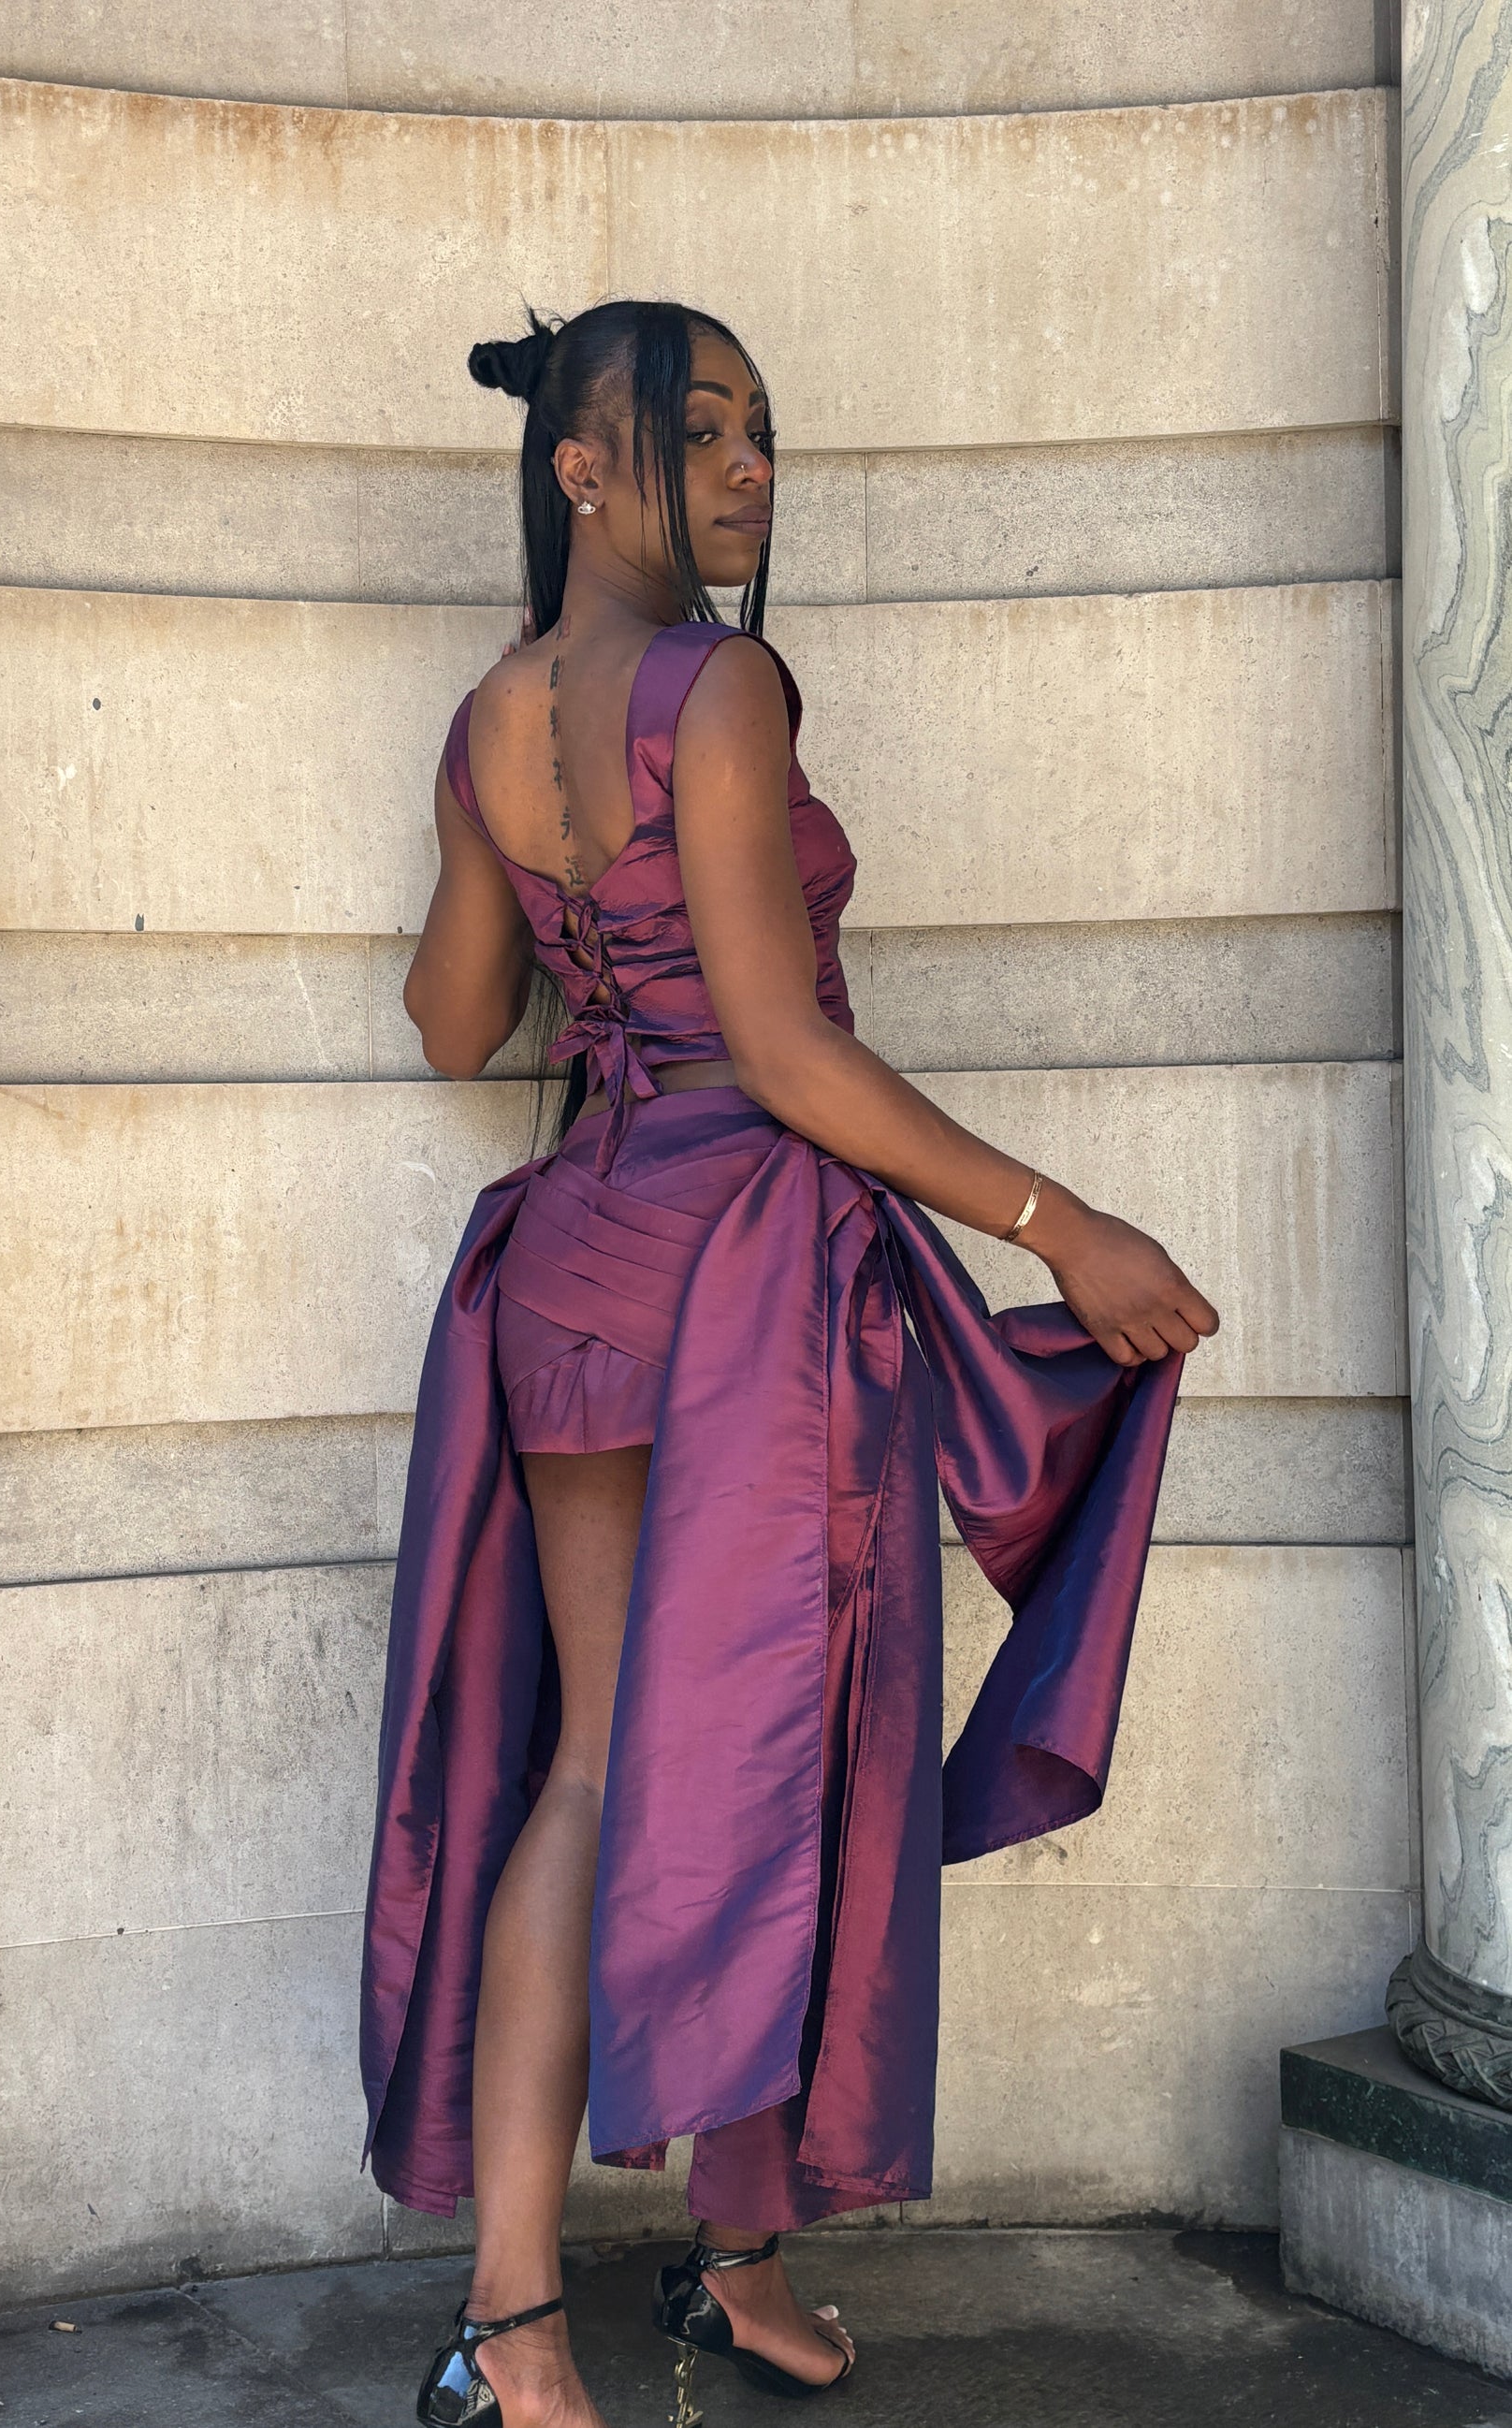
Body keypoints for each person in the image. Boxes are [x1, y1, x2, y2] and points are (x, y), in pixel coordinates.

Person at [359, 299, 1219, 2428]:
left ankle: (527, 2317)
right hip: (743, 1278)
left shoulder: (487, 715)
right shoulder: (718, 682)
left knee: (596, 1767)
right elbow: (785, 1049)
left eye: (759, 431)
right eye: (701, 432)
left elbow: (453, 1026)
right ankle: (705, 2263)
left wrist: (551, 887)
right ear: (581, 465)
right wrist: (1060, 1226)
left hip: (576, 1262)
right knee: (786, 1748)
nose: (749, 470)